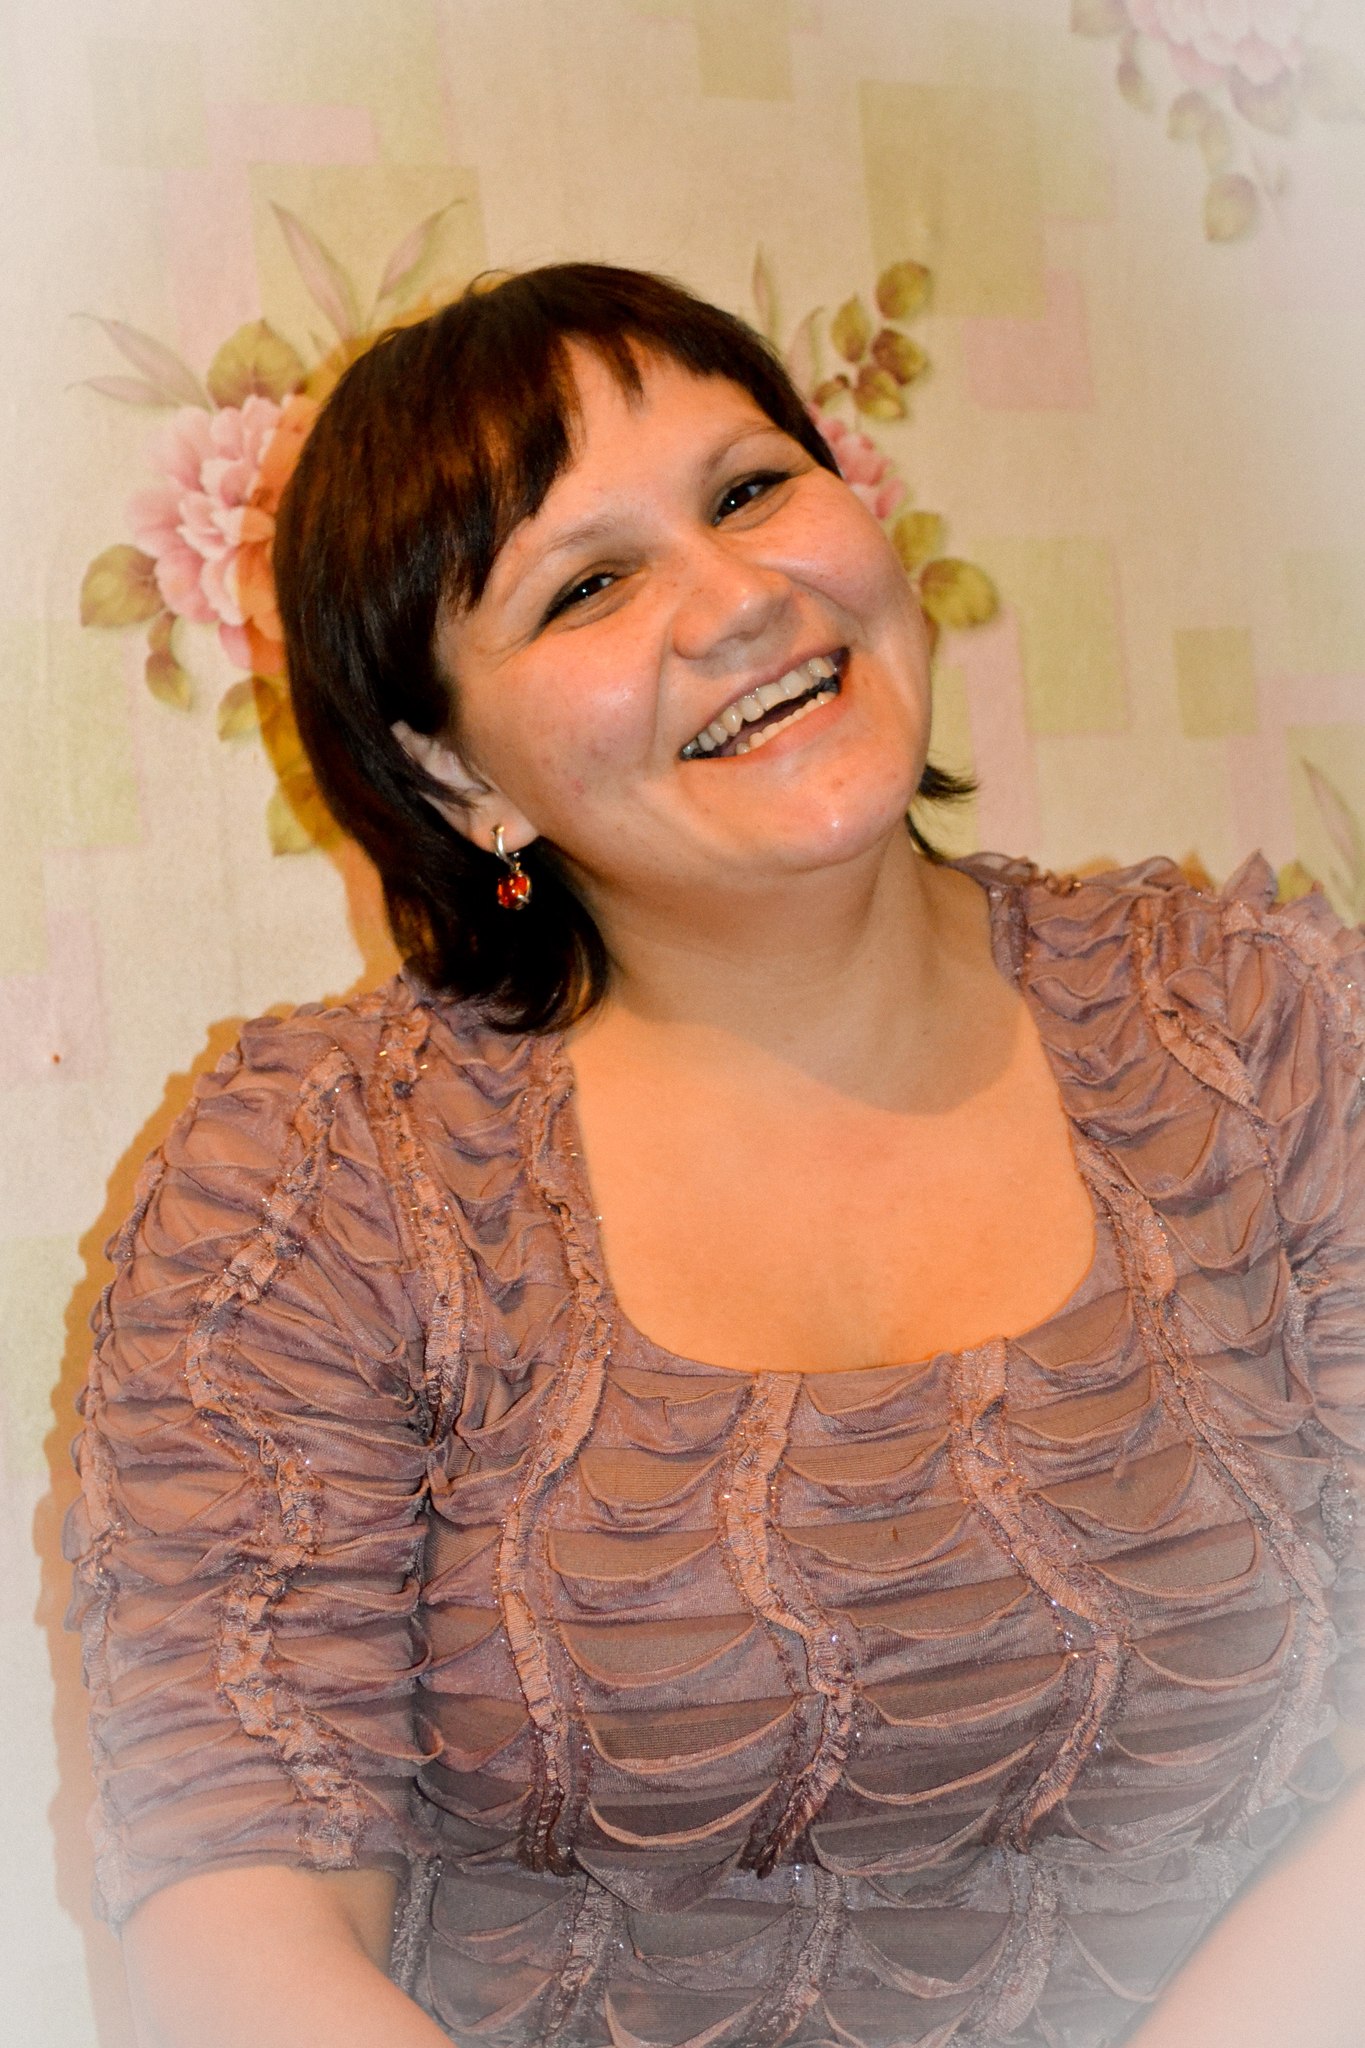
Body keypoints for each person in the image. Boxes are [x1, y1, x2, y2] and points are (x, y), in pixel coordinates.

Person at [67, 263, 1365, 2048]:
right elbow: (238, 1917)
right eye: (586, 586)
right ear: (451, 775)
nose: (741, 598)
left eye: (750, 489)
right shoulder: (315, 1178)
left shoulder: (1265, 1028)